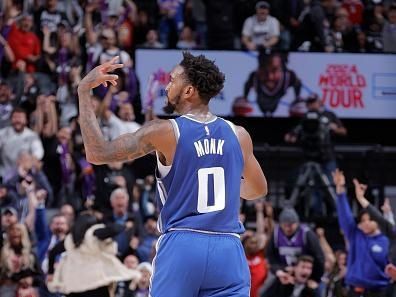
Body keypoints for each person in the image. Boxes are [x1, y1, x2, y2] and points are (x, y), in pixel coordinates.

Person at [77, 52, 268, 296]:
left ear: (188, 91)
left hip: (183, 244)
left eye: (172, 80)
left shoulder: (165, 131)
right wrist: (228, 185)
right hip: (229, 249)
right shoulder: (238, 134)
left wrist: (84, 91)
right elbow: (258, 189)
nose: (167, 86)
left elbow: (96, 152)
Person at [333, 169, 390, 297]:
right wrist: (340, 190)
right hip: (355, 290)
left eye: (370, 220)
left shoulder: (386, 240)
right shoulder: (355, 235)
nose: (366, 223)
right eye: (362, 220)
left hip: (379, 291)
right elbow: (345, 216)